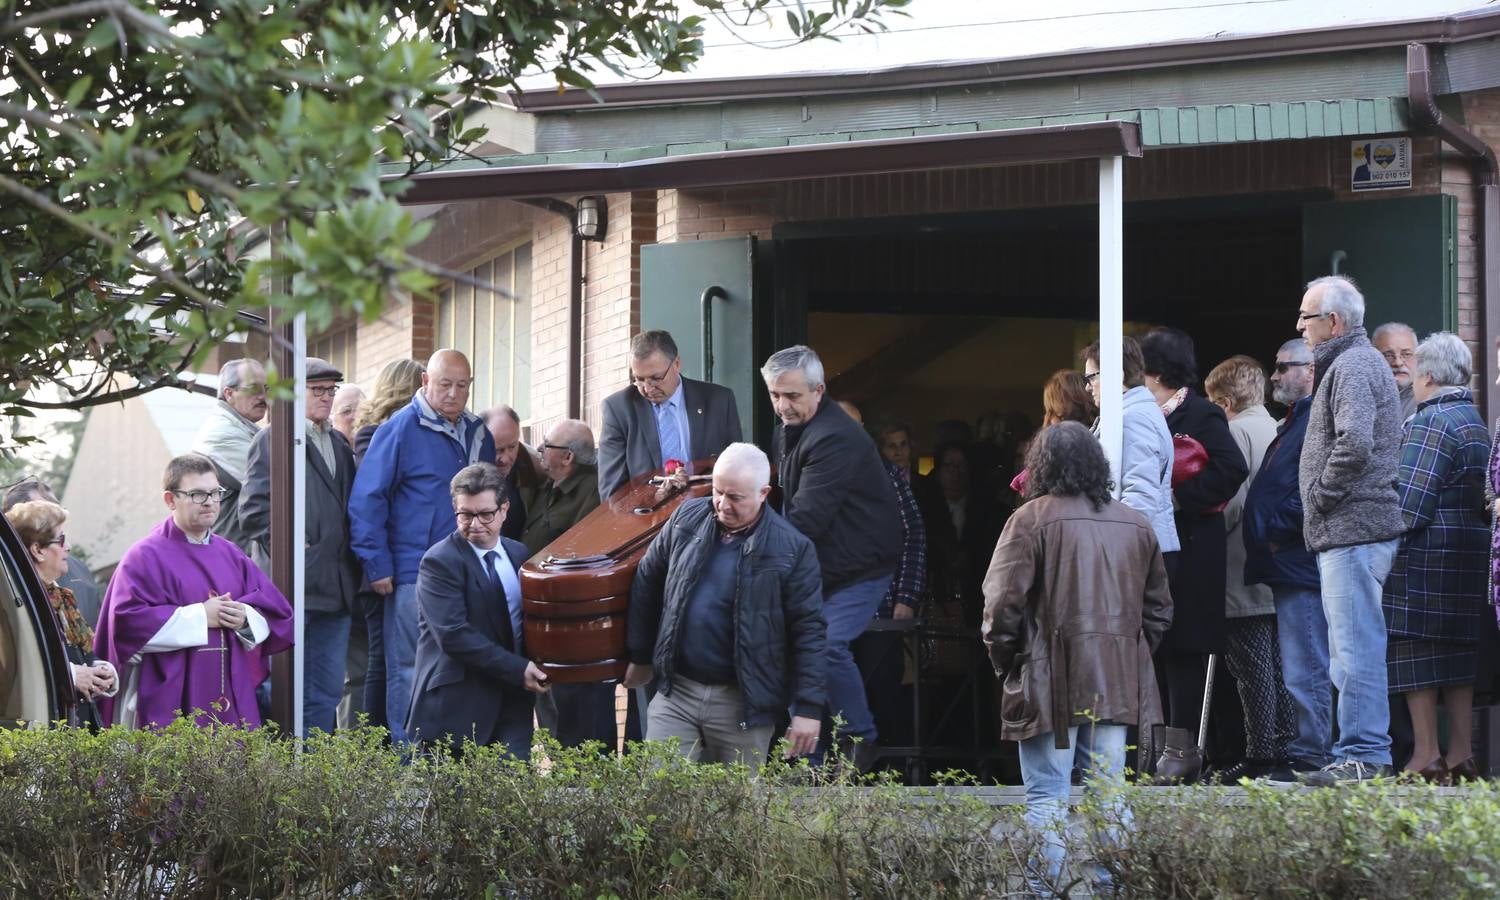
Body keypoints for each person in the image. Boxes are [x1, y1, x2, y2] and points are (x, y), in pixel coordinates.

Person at [982, 422, 1173, 896]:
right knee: (1110, 795)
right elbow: (1159, 611)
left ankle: (1044, 891)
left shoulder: (1029, 520)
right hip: (1114, 680)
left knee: (1047, 796)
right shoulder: (1135, 522)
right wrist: (1129, 653)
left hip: (1048, 677)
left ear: (1039, 466)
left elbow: (999, 607)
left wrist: (1008, 663)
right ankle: (1117, 889)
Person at [624, 443, 826, 765]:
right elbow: (648, 577)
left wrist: (808, 708)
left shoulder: (792, 550)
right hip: (677, 690)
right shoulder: (687, 516)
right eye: (718, 491)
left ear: (763, 493)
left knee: (736, 806)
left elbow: (809, 630)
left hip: (743, 701)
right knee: (658, 800)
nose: (722, 504)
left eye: (735, 497)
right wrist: (640, 653)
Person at [763, 345, 901, 767]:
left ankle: (861, 738)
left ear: (818, 390)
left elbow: (805, 518)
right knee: (793, 648)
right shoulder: (793, 429)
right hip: (821, 565)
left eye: (792, 396)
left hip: (861, 567)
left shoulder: (834, 437)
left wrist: (756, 558)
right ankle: (812, 758)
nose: (782, 406)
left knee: (824, 646)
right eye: (774, 395)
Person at [348, 349, 495, 743]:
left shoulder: (479, 432)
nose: (452, 393)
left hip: (474, 571)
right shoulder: (399, 428)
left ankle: (458, 768)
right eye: (444, 384)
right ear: (425, 383)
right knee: (411, 668)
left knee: (470, 666)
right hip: (415, 572)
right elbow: (367, 499)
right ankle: (409, 768)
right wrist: (378, 565)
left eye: (461, 386)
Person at [1295, 275, 1404, 785]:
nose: (1300, 327)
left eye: (1306, 317)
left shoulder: (1354, 365)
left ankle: (1362, 755)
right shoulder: (1353, 363)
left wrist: (1320, 495)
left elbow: (1355, 442)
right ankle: (1360, 752)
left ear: (1333, 322)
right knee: (1352, 645)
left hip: (1353, 527)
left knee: (1355, 646)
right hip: (1351, 528)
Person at [92, 454, 294, 729]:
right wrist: (201, 616)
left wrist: (243, 617)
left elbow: (274, 611)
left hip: (229, 693)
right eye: (197, 494)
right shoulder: (144, 557)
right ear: (170, 500)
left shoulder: (231, 554)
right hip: (168, 695)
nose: (210, 501)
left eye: (215, 493)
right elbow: (126, 625)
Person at [1381, 333, 1489, 783]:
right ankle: (1461, 753)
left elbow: (1410, 502)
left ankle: (1425, 753)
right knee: (1458, 660)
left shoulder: (1433, 420)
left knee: (1415, 656)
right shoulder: (1473, 417)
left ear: (1426, 374)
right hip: (1469, 556)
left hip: (1426, 560)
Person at [239, 358, 361, 736]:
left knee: (325, 692)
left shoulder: (339, 442)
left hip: (335, 591)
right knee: (283, 690)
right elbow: (252, 512)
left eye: (331, 390)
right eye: (317, 390)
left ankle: (314, 779)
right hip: (291, 592)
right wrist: (296, 553)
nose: (326, 398)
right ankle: (282, 777)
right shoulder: (272, 438)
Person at [1140, 328, 1248, 747]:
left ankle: (1181, 749)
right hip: (1152, 554)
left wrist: (1178, 499)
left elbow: (1231, 469)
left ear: (1155, 371)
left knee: (1184, 648)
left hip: (1192, 551)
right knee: (1153, 645)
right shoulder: (1138, 414)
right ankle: (1148, 751)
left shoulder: (1202, 414)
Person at [407, 463, 550, 758]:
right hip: (457, 707)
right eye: (465, 515)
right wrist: (517, 668)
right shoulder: (439, 561)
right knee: (454, 804)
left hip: (512, 702)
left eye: (485, 514)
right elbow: (454, 635)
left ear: (505, 509)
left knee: (513, 796)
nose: (475, 524)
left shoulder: (518, 554)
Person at [1204, 355, 1296, 781]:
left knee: (1249, 667)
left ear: (1224, 402)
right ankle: (1284, 743)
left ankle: (1260, 754)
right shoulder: (1280, 428)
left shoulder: (1236, 432)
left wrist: (1203, 534)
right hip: (1276, 567)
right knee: (1279, 663)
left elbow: (1233, 502)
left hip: (1240, 569)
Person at [1243, 338, 1330, 778]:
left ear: (1310, 369)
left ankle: (1312, 754)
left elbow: (1316, 483)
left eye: (1282, 367)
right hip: (1288, 563)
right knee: (1300, 664)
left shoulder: (1315, 417)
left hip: (1299, 562)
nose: (1274, 376)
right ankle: (1308, 749)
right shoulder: (1296, 420)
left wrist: (1278, 529)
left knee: (1307, 664)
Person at [839, 402, 928, 750]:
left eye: (860, 427)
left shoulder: (885, 474)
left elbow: (914, 536)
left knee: (884, 705)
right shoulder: (810, 470)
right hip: (828, 617)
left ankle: (888, 786)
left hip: (881, 612)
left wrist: (906, 598)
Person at [522, 419, 613, 748]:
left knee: (577, 720)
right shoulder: (548, 486)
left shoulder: (592, 491)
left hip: (572, 623)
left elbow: (580, 552)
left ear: (568, 457)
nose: (541, 450)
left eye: (548, 445)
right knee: (551, 712)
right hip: (542, 618)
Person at [5, 500, 118, 730]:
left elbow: (76, 655)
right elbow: (18, 664)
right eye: (61, 540)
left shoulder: (59, 596)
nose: (69, 547)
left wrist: (100, 672)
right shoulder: (16, 603)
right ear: (37, 550)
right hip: (45, 732)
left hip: (78, 725)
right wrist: (73, 675)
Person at [597, 330, 743, 501]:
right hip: (649, 517)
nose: (647, 388)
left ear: (677, 364)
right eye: (639, 379)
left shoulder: (718, 400)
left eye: (656, 378)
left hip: (710, 509)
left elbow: (737, 466)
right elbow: (612, 492)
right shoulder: (618, 409)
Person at [1080, 338, 1179, 559]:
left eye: (1091, 377)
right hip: (1138, 548)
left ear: (1118, 375)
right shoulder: (1132, 412)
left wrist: (1113, 552)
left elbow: (1140, 496)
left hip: (1135, 553)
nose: (1087, 387)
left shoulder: (1133, 417)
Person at [2, 478, 104, 627]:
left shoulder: (78, 569)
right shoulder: (9, 588)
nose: (55, 513)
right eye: (44, 508)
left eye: (56, 506)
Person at [190, 357, 268, 552]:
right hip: (234, 555)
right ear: (229, 393)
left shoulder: (242, 428)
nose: (263, 396)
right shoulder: (223, 433)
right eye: (253, 389)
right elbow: (278, 481)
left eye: (266, 388)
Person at [482, 405, 543, 541]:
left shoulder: (532, 466)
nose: (505, 458)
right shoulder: (467, 469)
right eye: (498, 450)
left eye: (512, 447)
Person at [1372, 322, 1419, 421]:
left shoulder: (1427, 400)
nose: (1398, 363)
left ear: (1417, 357)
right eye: (1388, 355)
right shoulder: (1363, 396)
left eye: (1406, 354)